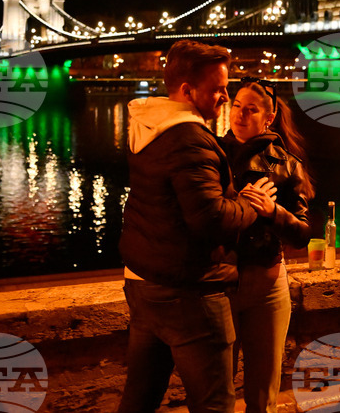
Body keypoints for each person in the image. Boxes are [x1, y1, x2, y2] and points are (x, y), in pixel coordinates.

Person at [117, 40, 263, 413]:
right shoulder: (189, 140)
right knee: (214, 403)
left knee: (139, 400)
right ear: (187, 90)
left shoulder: (147, 128)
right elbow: (211, 219)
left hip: (143, 283)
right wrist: (250, 205)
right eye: (217, 89)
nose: (225, 98)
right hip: (191, 293)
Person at [220, 77, 314, 413]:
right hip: (221, 284)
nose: (240, 115)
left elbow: (302, 234)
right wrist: (238, 202)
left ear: (268, 118)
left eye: (251, 109)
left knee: (263, 396)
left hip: (268, 285)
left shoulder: (288, 164)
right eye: (236, 106)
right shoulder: (212, 154)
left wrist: (274, 211)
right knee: (218, 391)